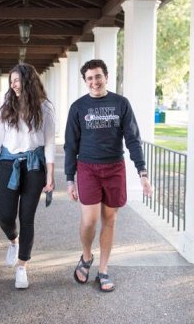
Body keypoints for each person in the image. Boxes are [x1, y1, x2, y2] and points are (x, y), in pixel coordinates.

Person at [64, 59, 152, 292]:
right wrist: (69, 178)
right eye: (90, 78)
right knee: (89, 220)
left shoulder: (121, 103)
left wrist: (142, 172)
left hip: (114, 168)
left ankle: (103, 270)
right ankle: (85, 257)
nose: (95, 81)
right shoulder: (78, 107)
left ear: (106, 77)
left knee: (110, 220)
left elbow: (132, 138)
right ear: (85, 81)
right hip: (88, 168)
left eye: (98, 76)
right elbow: (71, 145)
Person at [0, 63, 55, 289]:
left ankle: (22, 267)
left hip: (34, 166)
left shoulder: (44, 108)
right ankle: (12, 241)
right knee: (5, 216)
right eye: (11, 81)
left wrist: (50, 176)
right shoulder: (6, 106)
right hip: (8, 164)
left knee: (27, 218)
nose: (13, 85)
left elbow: (50, 143)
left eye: (17, 80)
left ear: (27, 81)